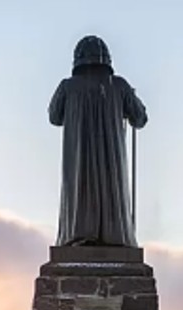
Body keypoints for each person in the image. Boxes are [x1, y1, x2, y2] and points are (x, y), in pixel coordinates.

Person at [48, 35, 148, 247]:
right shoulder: (119, 86)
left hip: (78, 156)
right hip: (112, 160)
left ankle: (80, 233)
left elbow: (54, 117)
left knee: (80, 186)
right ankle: (115, 234)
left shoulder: (68, 87)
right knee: (111, 186)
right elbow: (140, 119)